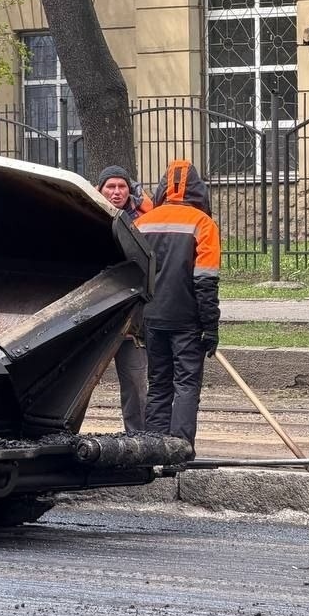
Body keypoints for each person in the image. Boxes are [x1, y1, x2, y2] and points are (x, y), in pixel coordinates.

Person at [133, 159, 220, 451]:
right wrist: (210, 327)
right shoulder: (203, 224)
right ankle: (179, 449)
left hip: (152, 318)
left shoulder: (142, 223)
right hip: (186, 321)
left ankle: (153, 448)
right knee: (186, 386)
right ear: (198, 189)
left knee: (158, 384)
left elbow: (132, 276)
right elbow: (205, 282)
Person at [96, 164, 153, 433]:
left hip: (132, 322)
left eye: (121, 187)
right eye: (111, 187)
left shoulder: (146, 222)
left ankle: (137, 438)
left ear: (129, 190)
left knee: (135, 384)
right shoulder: (89, 216)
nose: (116, 192)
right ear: (100, 190)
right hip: (96, 319)